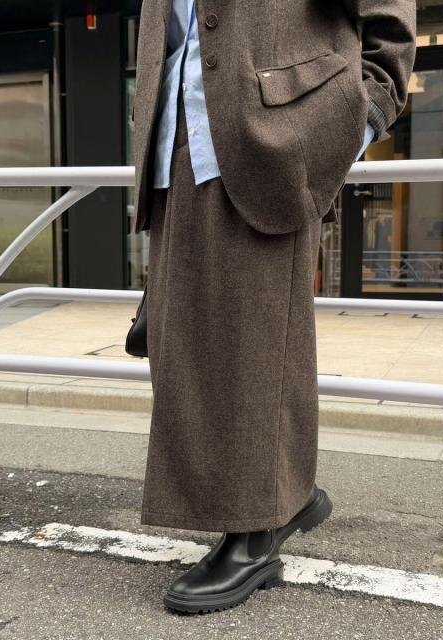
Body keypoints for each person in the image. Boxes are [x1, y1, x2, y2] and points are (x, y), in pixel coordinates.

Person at [132, 0, 416, 614]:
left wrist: (358, 120)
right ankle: (288, 493)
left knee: (258, 342)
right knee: (185, 350)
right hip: (178, 145)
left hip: (271, 141)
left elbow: (389, 23)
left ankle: (257, 529)